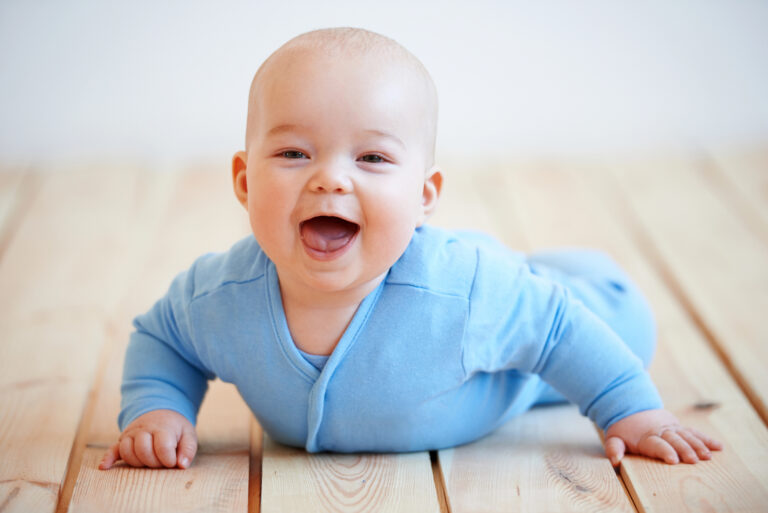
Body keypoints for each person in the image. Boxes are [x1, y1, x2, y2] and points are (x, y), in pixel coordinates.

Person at [99, 27, 721, 471]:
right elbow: (162, 338)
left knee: (608, 320)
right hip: (499, 289)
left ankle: (555, 272)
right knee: (517, 286)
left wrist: (630, 411)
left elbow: (559, 329)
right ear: (242, 180)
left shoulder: (462, 292)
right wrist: (157, 408)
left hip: (570, 309)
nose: (331, 179)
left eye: (371, 158)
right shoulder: (219, 297)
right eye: (294, 153)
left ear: (424, 195)